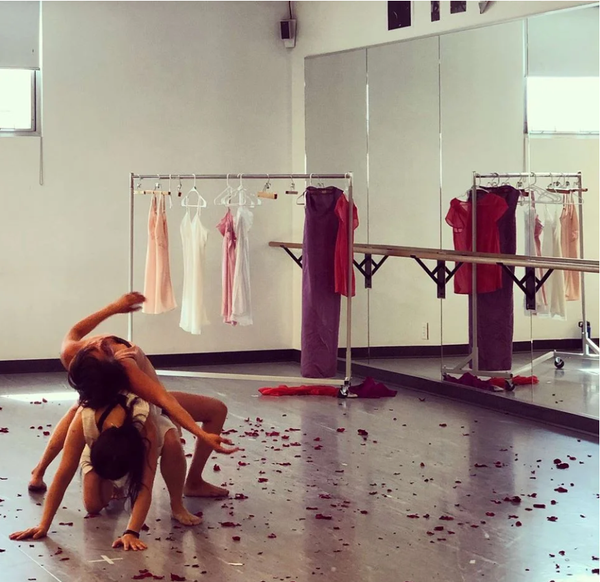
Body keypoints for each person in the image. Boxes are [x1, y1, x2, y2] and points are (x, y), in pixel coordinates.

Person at [28, 291, 238, 499]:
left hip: (141, 400)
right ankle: (42, 470)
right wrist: (200, 433)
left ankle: (193, 481)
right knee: (79, 410)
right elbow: (163, 400)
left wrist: (114, 308)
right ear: (109, 366)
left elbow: (76, 330)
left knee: (216, 410)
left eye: (97, 346)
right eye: (101, 351)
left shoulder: (76, 353)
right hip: (134, 404)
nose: (99, 342)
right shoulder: (122, 365)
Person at [11, 388, 201, 551]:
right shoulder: (84, 418)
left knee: (172, 441)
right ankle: (109, 478)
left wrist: (131, 532)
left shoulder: (146, 429)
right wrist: (43, 525)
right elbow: (63, 474)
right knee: (93, 506)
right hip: (104, 438)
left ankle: (177, 503)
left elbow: (145, 485)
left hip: (141, 431)